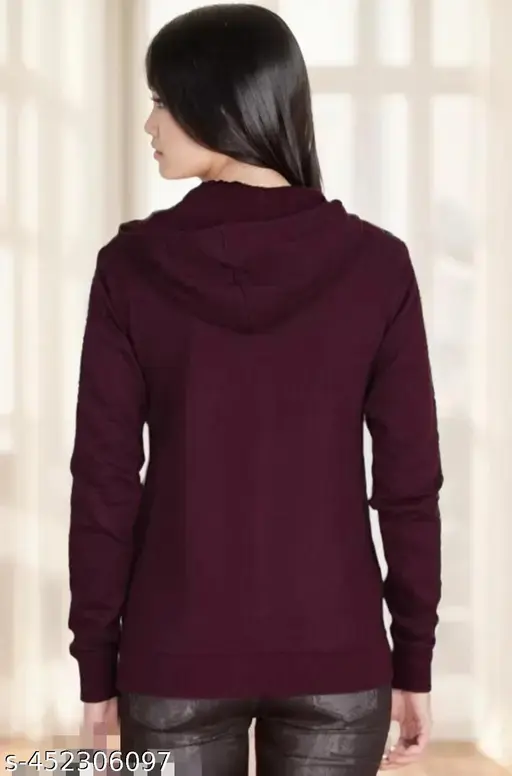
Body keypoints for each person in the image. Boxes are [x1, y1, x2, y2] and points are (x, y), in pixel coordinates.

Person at [67, 4, 443, 774]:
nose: (149, 125)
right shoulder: (376, 266)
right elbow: (409, 487)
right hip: (338, 657)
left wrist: (97, 665)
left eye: (163, 101)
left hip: (172, 658)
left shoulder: (131, 268)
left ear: (220, 103)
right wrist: (413, 658)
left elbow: (105, 483)